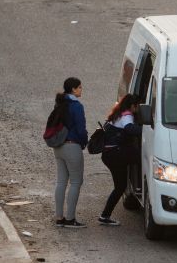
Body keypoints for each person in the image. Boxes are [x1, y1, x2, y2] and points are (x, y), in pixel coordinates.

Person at [98, 94, 143, 226]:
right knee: (120, 186)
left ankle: (105, 215)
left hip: (110, 154)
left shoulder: (117, 113)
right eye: (138, 106)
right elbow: (129, 128)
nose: (139, 109)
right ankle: (104, 216)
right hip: (116, 155)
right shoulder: (127, 115)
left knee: (120, 186)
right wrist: (147, 130)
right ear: (132, 105)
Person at [53, 77, 88, 228]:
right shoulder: (76, 106)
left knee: (61, 182)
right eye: (80, 87)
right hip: (72, 145)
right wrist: (84, 142)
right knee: (75, 181)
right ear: (73, 89)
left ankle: (59, 217)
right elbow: (81, 129)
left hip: (58, 146)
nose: (81, 90)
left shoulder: (59, 103)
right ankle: (70, 218)